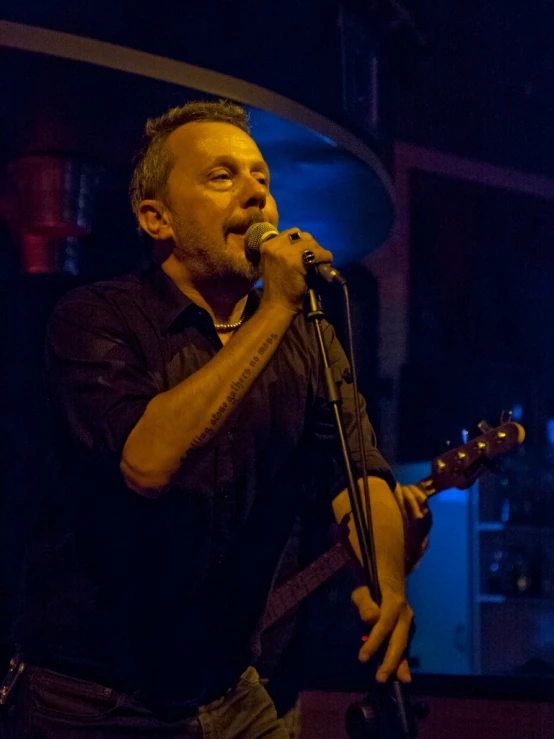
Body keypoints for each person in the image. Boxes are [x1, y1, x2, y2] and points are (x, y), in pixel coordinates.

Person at [2, 100, 414, 738]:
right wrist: (275, 311)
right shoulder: (94, 319)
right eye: (223, 178)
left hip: (231, 694)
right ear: (156, 218)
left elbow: (359, 474)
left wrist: (386, 584)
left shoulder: (310, 339)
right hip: (88, 704)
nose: (255, 195)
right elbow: (145, 461)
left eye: (261, 179)